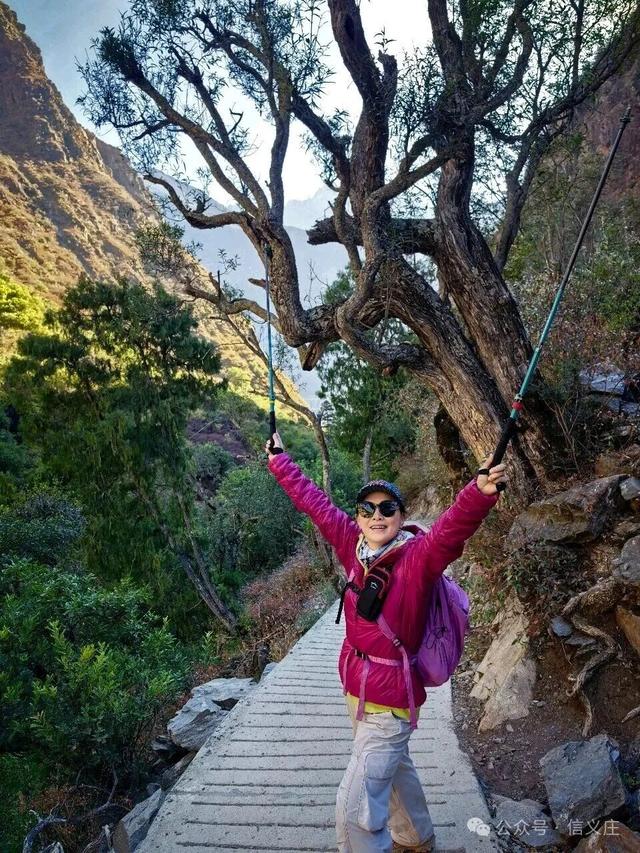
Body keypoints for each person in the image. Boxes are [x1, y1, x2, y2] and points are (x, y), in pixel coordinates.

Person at [265, 431, 506, 853]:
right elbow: (314, 503)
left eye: (387, 508)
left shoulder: (417, 559)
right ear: (358, 517)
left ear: (400, 515)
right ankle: (415, 838)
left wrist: (477, 493)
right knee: (393, 772)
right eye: (368, 509)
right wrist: (279, 461)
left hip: (391, 699)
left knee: (356, 806)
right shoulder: (351, 545)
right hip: (356, 687)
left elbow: (449, 532)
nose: (377, 516)